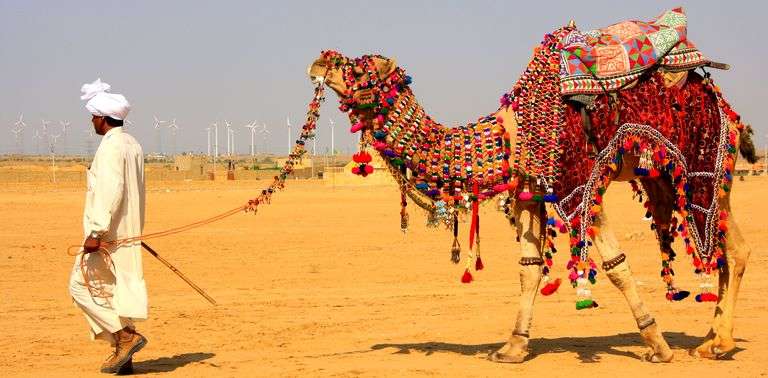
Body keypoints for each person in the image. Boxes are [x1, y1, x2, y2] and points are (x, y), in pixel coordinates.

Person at [69, 78, 148, 374]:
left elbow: (111, 190)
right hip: (126, 233)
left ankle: (125, 338)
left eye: (93, 116)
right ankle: (124, 357)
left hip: (108, 237)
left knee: (80, 286)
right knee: (114, 294)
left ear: (102, 118)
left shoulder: (112, 146)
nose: (92, 121)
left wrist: (97, 232)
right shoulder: (132, 144)